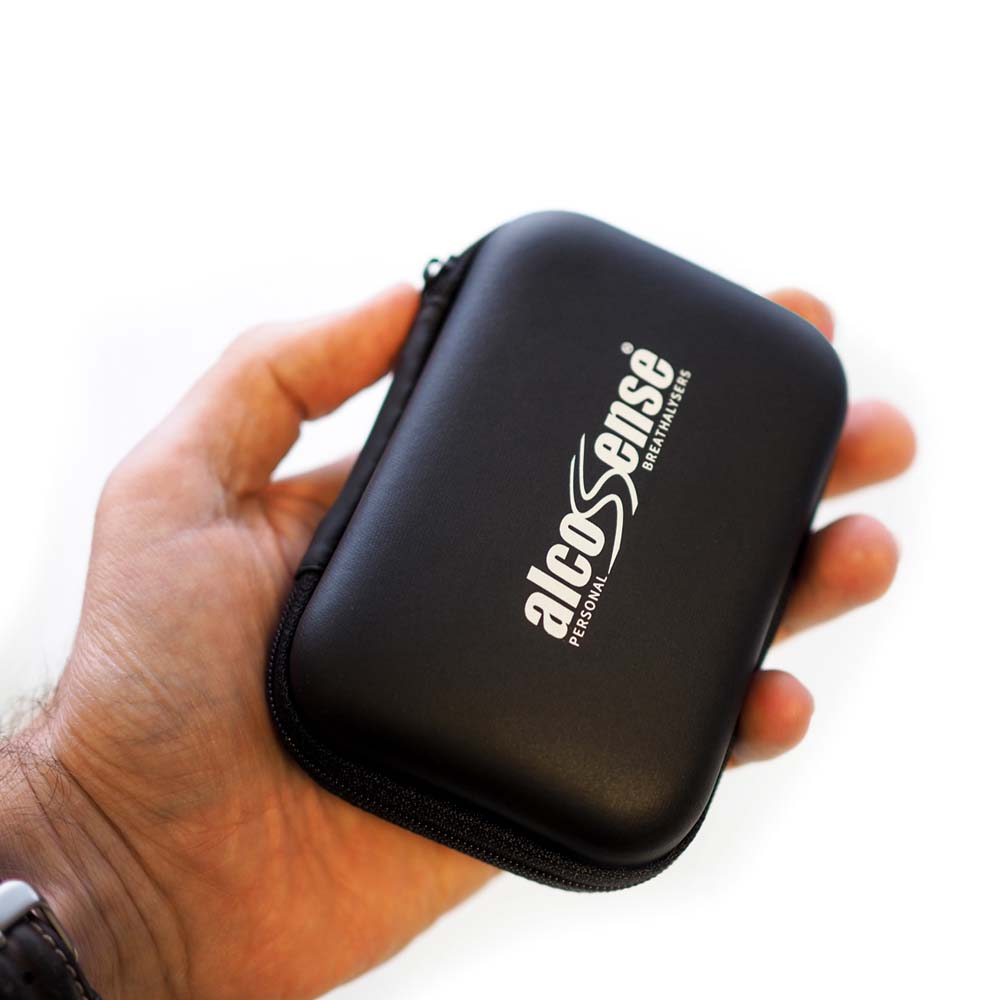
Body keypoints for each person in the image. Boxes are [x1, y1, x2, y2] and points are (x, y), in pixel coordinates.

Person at [0, 284, 915, 999]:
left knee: (769, 385)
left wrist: (114, 863)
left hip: (531, 694)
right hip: (441, 676)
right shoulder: (556, 274)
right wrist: (111, 850)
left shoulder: (560, 276)